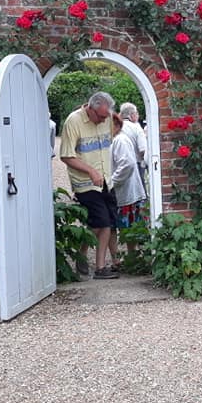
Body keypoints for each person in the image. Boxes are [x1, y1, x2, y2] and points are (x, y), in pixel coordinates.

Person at [59, 91, 120, 279]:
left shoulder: (107, 118)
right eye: (101, 116)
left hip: (106, 180)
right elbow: (66, 155)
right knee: (100, 221)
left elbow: (113, 132)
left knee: (108, 222)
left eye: (106, 116)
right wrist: (91, 171)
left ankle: (100, 266)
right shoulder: (73, 121)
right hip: (85, 183)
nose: (104, 120)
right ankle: (85, 255)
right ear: (90, 109)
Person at [108, 113, 148, 267]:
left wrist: (112, 182)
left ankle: (130, 258)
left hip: (126, 192)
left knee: (128, 227)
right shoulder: (113, 140)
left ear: (117, 125)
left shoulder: (120, 140)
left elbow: (128, 164)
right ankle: (119, 259)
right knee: (116, 226)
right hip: (123, 192)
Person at [119, 101, 148, 192]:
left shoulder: (116, 127)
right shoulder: (136, 128)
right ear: (132, 115)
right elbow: (143, 149)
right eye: (136, 113)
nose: (138, 115)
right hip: (136, 164)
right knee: (139, 191)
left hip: (120, 165)